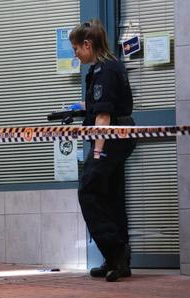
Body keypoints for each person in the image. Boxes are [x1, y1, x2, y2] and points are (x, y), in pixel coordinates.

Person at [70, 19, 136, 282]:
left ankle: (116, 251)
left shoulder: (105, 71)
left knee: (89, 189)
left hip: (111, 139)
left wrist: (98, 152)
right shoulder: (107, 66)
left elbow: (104, 115)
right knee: (111, 196)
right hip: (119, 137)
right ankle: (118, 261)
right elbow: (99, 106)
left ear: (88, 44)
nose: (75, 54)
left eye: (76, 48)